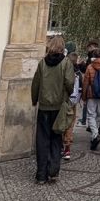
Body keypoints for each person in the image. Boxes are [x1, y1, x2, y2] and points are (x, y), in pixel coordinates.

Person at [30, 35, 75, 184]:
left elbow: (36, 83)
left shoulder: (42, 63)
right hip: (59, 106)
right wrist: (67, 94)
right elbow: (69, 82)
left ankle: (41, 175)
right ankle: (53, 172)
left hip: (44, 106)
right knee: (56, 139)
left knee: (42, 140)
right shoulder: (66, 63)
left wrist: (34, 99)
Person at [83, 49, 100, 151]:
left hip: (91, 93)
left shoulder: (90, 67)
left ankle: (94, 134)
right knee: (98, 114)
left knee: (91, 115)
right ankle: (96, 134)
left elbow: (86, 82)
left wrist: (84, 96)